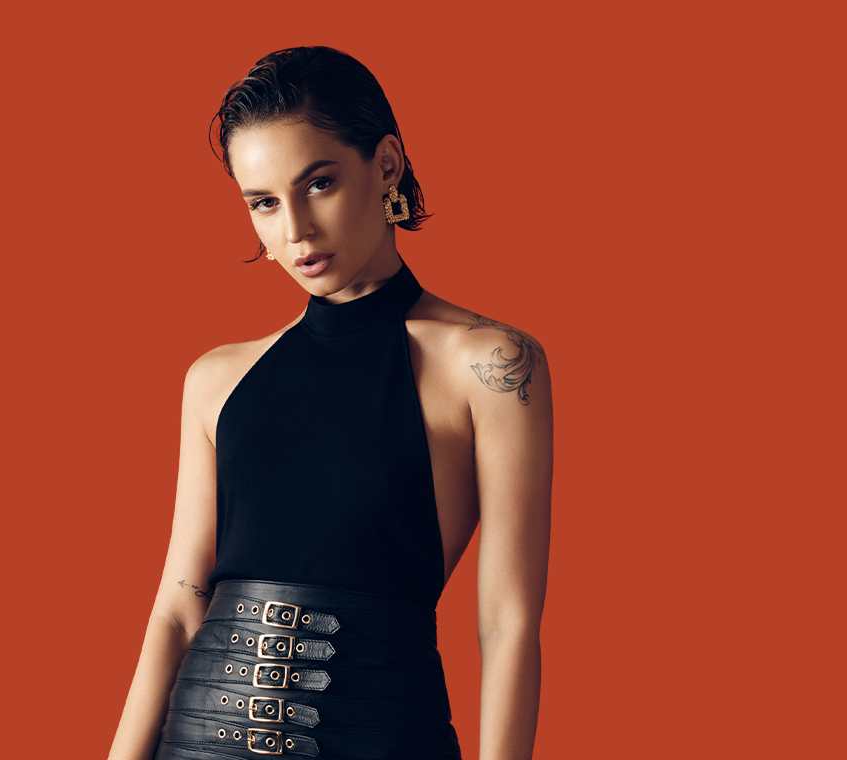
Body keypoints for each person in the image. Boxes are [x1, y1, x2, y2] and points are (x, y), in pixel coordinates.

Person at [109, 46, 552, 760]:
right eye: (263, 202)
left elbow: (508, 623)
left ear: (387, 164)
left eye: (318, 183)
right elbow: (178, 610)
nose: (295, 230)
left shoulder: (491, 365)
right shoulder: (217, 379)